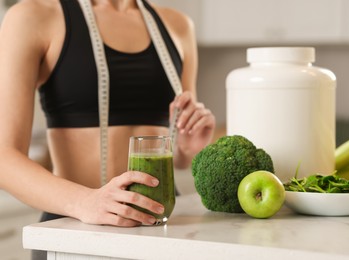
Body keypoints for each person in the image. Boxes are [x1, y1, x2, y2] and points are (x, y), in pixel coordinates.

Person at [0, 0, 215, 243]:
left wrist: (185, 147)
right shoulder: (34, 16)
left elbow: (180, 160)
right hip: (74, 226)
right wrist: (86, 202)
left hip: (160, 227)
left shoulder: (177, 25)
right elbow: (4, 157)